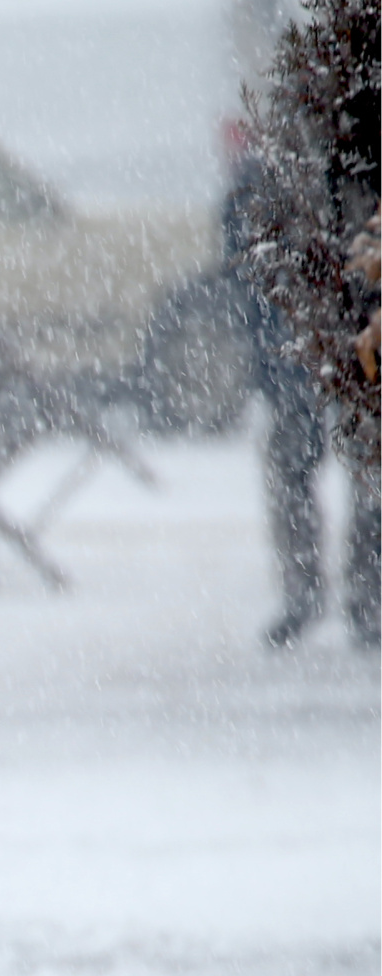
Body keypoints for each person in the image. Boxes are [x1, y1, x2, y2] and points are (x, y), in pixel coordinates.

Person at [223, 156, 382, 649]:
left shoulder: (349, 177)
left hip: (351, 354)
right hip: (300, 359)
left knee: (366, 475)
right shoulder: (263, 192)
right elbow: (250, 284)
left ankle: (361, 597)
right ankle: (320, 596)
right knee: (306, 469)